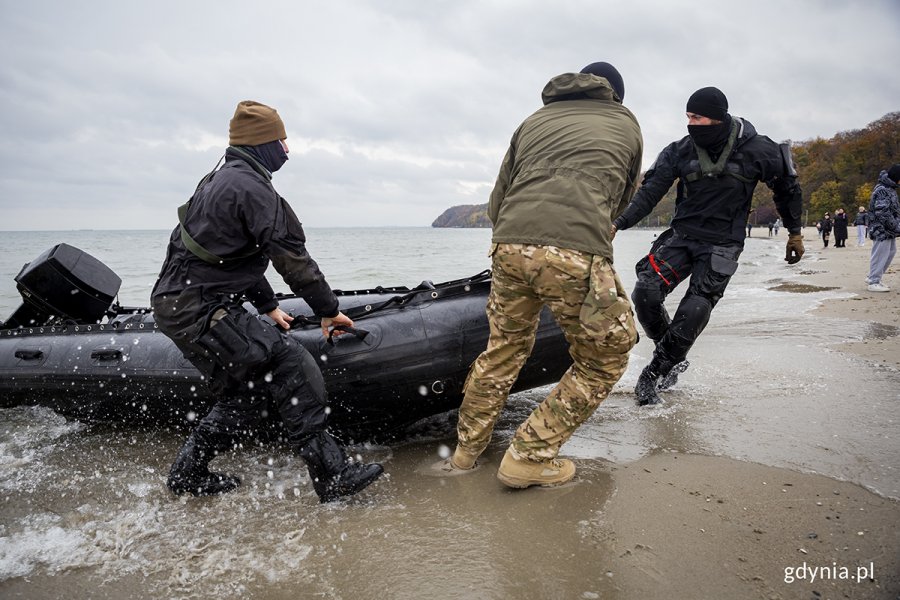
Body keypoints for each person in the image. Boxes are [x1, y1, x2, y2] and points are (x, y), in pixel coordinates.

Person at [151, 100, 383, 502]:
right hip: (203, 308)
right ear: (260, 144)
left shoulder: (219, 180)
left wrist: (267, 306)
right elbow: (291, 259)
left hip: (176, 306)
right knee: (288, 361)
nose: (287, 151)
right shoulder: (252, 187)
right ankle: (332, 474)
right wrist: (328, 310)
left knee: (245, 390)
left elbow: (231, 256)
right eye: (281, 141)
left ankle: (187, 474)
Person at [447, 62, 642, 488]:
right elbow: (621, 196)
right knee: (605, 357)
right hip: (573, 249)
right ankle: (528, 456)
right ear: (614, 95)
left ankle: (465, 454)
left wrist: (514, 245)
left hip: (508, 242)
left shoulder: (533, 120)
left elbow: (500, 194)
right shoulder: (625, 121)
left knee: (503, 350)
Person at [611, 86, 805, 406]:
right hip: (681, 236)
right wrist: (619, 223)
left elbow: (787, 189)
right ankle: (671, 356)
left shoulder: (758, 149)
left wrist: (795, 232)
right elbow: (649, 193)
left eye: (697, 117)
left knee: (695, 309)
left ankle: (653, 374)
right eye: (687, 116)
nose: (690, 123)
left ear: (717, 119)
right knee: (645, 292)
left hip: (723, 244)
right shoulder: (679, 150)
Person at [865, 164, 900, 292]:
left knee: (890, 252)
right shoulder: (883, 190)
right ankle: (874, 280)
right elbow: (882, 212)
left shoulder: (890, 188)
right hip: (881, 229)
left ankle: (874, 276)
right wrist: (896, 226)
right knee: (880, 254)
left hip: (888, 230)